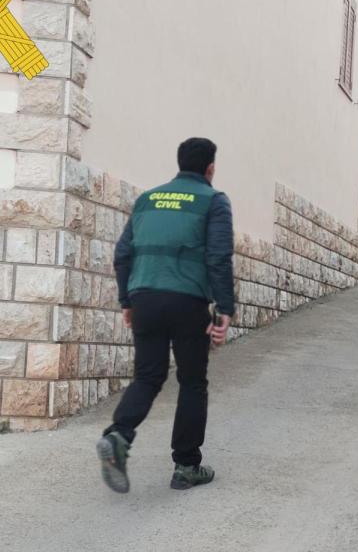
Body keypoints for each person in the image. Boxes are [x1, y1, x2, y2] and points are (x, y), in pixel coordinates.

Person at [96, 137, 235, 493]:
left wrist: (128, 300)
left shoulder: (148, 200)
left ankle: (119, 436)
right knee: (192, 381)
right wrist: (224, 310)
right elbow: (218, 258)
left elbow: (123, 253)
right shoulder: (213, 201)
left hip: (145, 299)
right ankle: (187, 466)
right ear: (210, 168)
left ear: (179, 163)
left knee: (147, 376)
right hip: (187, 302)